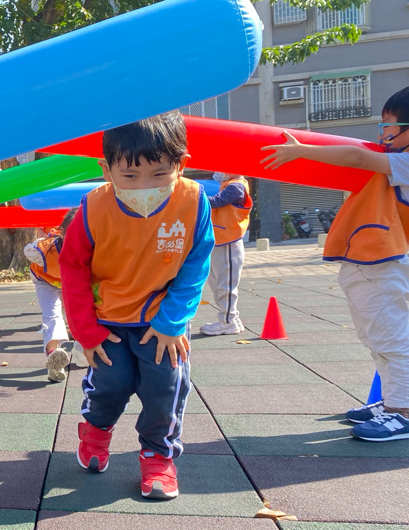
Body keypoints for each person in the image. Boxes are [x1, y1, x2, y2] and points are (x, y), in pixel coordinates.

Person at [60, 112, 214, 499]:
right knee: (110, 385)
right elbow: (72, 267)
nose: (145, 186)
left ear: (181, 165)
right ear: (106, 169)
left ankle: (158, 456)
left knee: (166, 387)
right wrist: (86, 332)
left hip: (161, 319)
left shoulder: (193, 201)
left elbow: (196, 262)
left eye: (160, 174)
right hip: (108, 320)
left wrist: (172, 321)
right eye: (129, 176)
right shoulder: (93, 207)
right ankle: (95, 432)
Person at [261, 86, 409, 442]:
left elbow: (356, 157)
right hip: (369, 264)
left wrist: (301, 150)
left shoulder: (404, 162)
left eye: (388, 125)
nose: (382, 133)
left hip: (383, 264)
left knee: (391, 338)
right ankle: (393, 400)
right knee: (375, 337)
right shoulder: (395, 160)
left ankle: (403, 412)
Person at [24, 208, 77, 382]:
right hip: (45, 281)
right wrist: (42, 239)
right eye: (72, 234)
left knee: (78, 314)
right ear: (61, 232)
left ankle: (81, 351)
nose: (77, 239)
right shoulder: (45, 249)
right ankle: (54, 355)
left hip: (69, 281)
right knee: (52, 315)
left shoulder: (92, 248)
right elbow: (29, 250)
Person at [199, 172, 253, 336]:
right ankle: (232, 319)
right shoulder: (229, 185)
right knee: (218, 284)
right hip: (220, 239)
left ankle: (228, 322)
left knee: (225, 285)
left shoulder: (236, 186)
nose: (218, 172)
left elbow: (216, 201)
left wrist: (191, 197)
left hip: (228, 240)